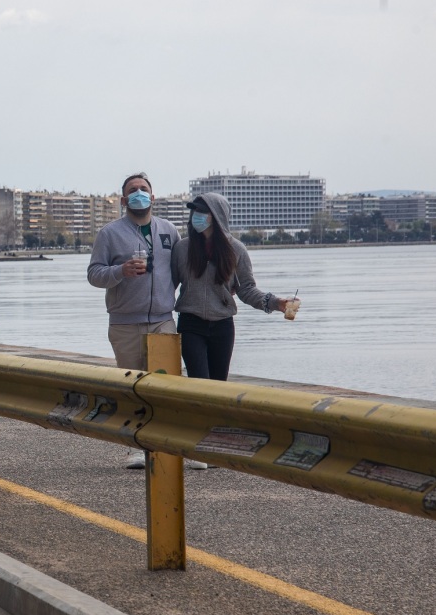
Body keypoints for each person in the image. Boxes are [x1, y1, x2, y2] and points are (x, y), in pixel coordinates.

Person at [88, 173, 204, 469]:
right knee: (132, 387)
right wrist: (120, 271)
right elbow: (94, 275)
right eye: (133, 191)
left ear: (153, 197)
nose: (139, 194)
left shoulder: (169, 230)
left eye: (144, 189)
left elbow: (181, 271)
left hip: (164, 320)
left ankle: (175, 447)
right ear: (124, 200)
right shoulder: (109, 233)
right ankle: (137, 447)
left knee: (168, 387)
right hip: (125, 322)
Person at [172, 192, 297, 381]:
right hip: (191, 324)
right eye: (194, 210)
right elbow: (168, 285)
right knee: (198, 381)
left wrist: (276, 303)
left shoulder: (236, 250)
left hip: (223, 325)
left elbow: (246, 289)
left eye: (202, 211)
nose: (196, 214)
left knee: (219, 383)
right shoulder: (182, 249)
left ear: (217, 215)